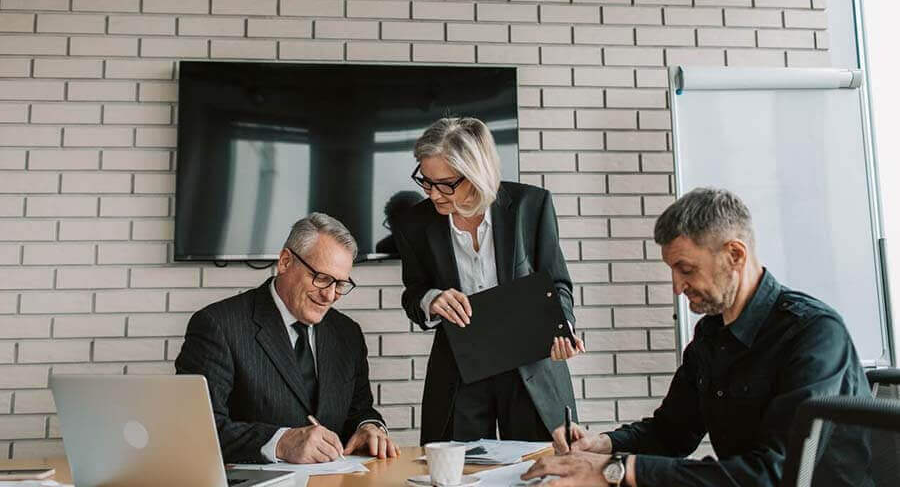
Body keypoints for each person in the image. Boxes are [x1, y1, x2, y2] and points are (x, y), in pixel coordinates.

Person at [521, 188, 871, 487]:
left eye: (686, 269)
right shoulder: (711, 333)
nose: (676, 287)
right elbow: (671, 432)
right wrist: (603, 445)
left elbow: (777, 474)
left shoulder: (814, 333)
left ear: (734, 254)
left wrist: (618, 470)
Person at [392, 117, 586, 445]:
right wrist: (431, 300)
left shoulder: (531, 206)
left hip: (532, 366)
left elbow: (557, 284)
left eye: (445, 184)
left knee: (542, 469)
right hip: (459, 369)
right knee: (457, 472)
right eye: (426, 181)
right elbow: (414, 292)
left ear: (476, 173)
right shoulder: (412, 224)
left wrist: (562, 326)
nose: (434, 194)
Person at [175, 213, 400, 464]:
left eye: (340, 284)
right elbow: (196, 429)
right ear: (285, 262)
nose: (330, 295)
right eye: (322, 278)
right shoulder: (218, 325)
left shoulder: (348, 333)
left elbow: (359, 409)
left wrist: (368, 427)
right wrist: (280, 443)